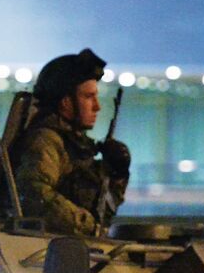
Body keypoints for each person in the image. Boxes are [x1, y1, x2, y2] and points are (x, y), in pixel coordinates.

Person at [15, 49, 130, 236]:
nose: (97, 106)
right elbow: (34, 194)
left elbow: (104, 212)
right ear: (66, 102)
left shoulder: (76, 147)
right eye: (88, 97)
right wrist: (89, 226)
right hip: (50, 250)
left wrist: (118, 175)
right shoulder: (46, 140)